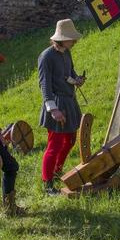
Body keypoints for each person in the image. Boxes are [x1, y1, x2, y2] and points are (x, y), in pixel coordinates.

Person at [38, 19, 85, 196]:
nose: (74, 41)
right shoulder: (46, 56)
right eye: (71, 38)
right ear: (62, 38)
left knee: (70, 140)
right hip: (56, 104)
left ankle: (57, 171)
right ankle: (47, 183)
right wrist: (53, 109)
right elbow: (44, 85)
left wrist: (77, 80)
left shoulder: (66, 52)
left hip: (69, 101)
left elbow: (69, 73)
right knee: (54, 145)